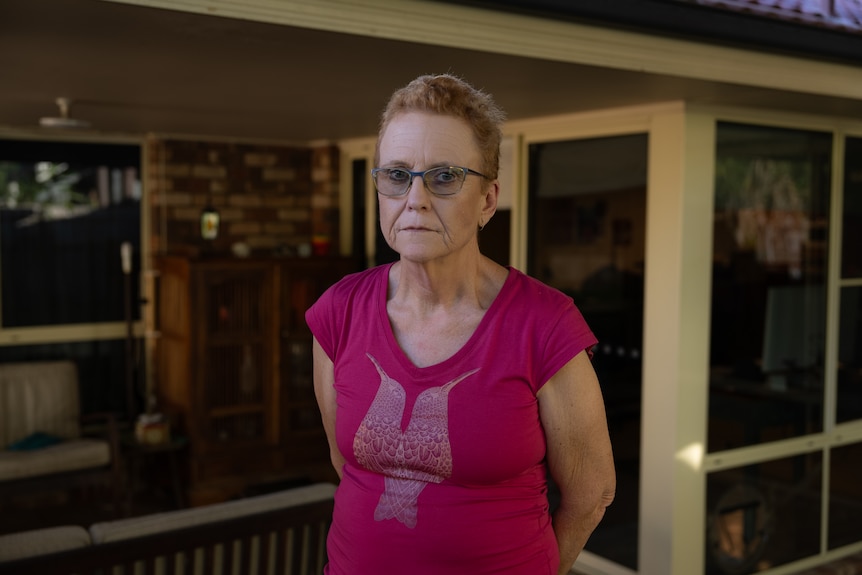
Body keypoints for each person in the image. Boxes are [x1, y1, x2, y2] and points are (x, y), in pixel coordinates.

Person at [306, 73, 615, 575]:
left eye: (445, 177)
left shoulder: (543, 323)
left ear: (488, 200)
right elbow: (350, 467)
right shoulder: (338, 312)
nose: (416, 199)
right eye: (397, 175)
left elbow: (592, 491)